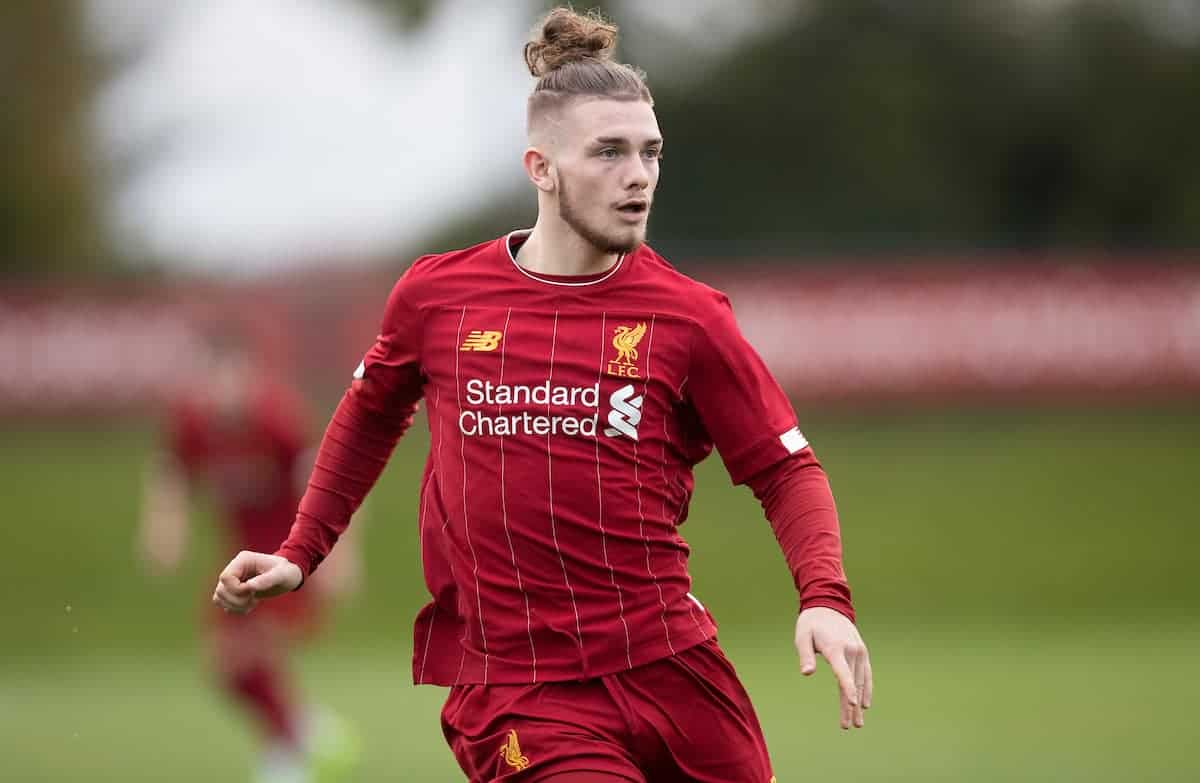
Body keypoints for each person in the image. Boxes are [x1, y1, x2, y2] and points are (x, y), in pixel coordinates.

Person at [212, 7, 873, 782]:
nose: (639, 175)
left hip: (674, 669)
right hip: (520, 691)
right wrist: (301, 550)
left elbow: (785, 468)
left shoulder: (688, 316)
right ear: (541, 168)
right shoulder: (439, 297)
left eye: (651, 152)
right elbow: (368, 415)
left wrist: (824, 596)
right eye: (609, 153)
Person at [140, 322, 361, 783]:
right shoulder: (195, 425)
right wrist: (164, 529)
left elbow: (325, 483)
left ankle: (288, 756)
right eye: (211, 378)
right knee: (226, 671)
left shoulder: (276, 420)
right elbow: (170, 472)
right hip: (236, 562)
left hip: (287, 558)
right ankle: (307, 734)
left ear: (249, 375)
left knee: (250, 656)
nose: (221, 390)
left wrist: (339, 556)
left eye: (229, 376)